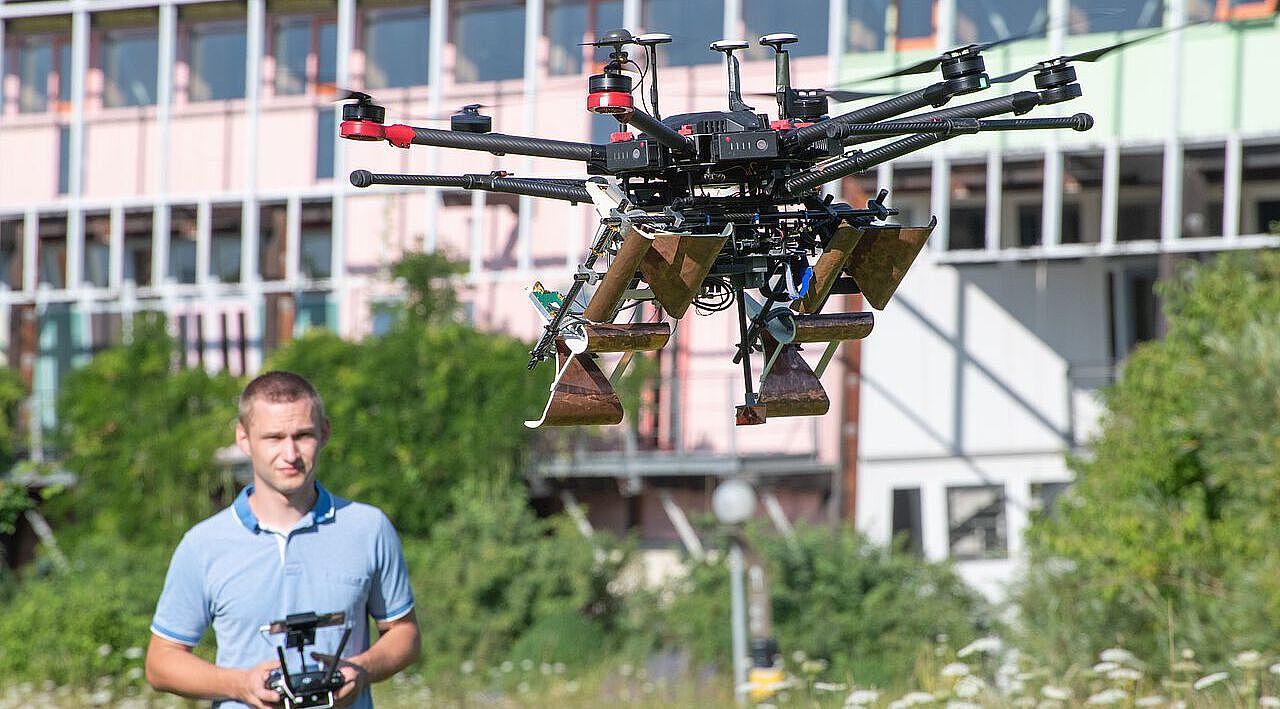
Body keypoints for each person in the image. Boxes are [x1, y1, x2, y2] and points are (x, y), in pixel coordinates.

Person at [145, 371, 420, 709]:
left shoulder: (369, 528)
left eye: (302, 435)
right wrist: (240, 685)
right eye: (273, 438)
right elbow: (160, 663)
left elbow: (404, 635)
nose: (290, 453)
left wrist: (360, 671)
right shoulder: (203, 544)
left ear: (325, 432)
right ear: (244, 439)